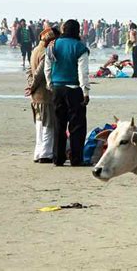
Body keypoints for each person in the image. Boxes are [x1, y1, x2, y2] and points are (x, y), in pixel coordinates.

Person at [45, 19, 90, 167]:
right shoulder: (80, 47)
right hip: (74, 89)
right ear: (77, 31)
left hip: (57, 88)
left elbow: (48, 67)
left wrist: (50, 84)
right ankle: (76, 158)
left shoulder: (53, 45)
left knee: (59, 123)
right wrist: (85, 91)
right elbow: (83, 72)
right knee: (77, 125)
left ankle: (58, 158)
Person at [25, 27, 60, 163]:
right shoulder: (45, 52)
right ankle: (46, 153)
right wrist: (33, 86)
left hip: (35, 96)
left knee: (39, 124)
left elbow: (29, 70)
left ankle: (38, 152)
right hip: (44, 94)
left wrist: (30, 86)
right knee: (48, 124)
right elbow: (40, 73)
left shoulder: (35, 50)